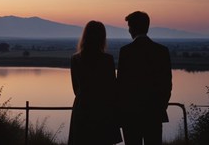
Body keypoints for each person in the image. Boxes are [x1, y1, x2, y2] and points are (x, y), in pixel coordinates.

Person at [117, 11, 172, 145]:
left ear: (133, 28)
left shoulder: (126, 51)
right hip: (154, 114)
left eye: (129, 27)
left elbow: (121, 85)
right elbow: (167, 84)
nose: (129, 30)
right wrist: (160, 107)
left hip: (130, 115)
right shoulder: (162, 51)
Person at [68, 21, 122, 145]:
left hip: (82, 108)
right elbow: (112, 88)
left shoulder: (75, 59)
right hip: (103, 110)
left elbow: (76, 89)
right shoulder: (107, 60)